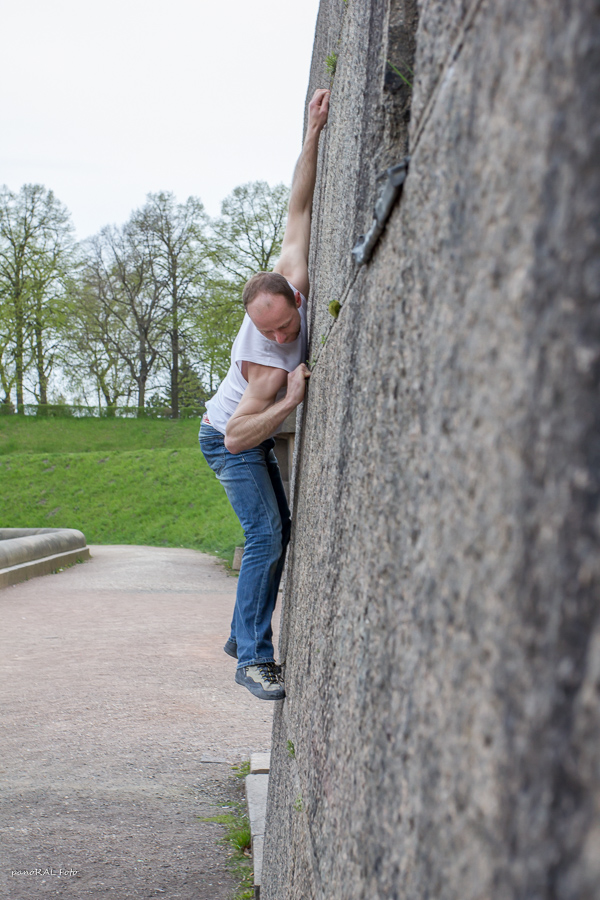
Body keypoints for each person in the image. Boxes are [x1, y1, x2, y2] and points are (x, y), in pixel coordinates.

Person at [199, 88, 330, 701]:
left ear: (290, 295)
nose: (283, 335)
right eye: (272, 330)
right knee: (267, 536)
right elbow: (235, 437)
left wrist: (312, 133)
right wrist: (287, 401)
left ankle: (239, 633)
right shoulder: (268, 369)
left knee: (281, 529)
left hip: (249, 431)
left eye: (285, 324)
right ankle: (252, 656)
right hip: (229, 439)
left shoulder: (294, 282)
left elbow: (296, 209)